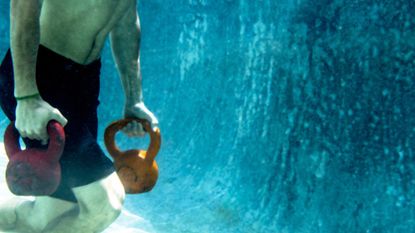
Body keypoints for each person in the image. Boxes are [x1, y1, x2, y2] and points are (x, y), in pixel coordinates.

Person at [0, 0, 159, 232]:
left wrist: (134, 98)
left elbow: (126, 19)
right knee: (105, 204)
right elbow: (22, 8)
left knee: (53, 213)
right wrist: (26, 97)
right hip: (39, 81)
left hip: (82, 84)